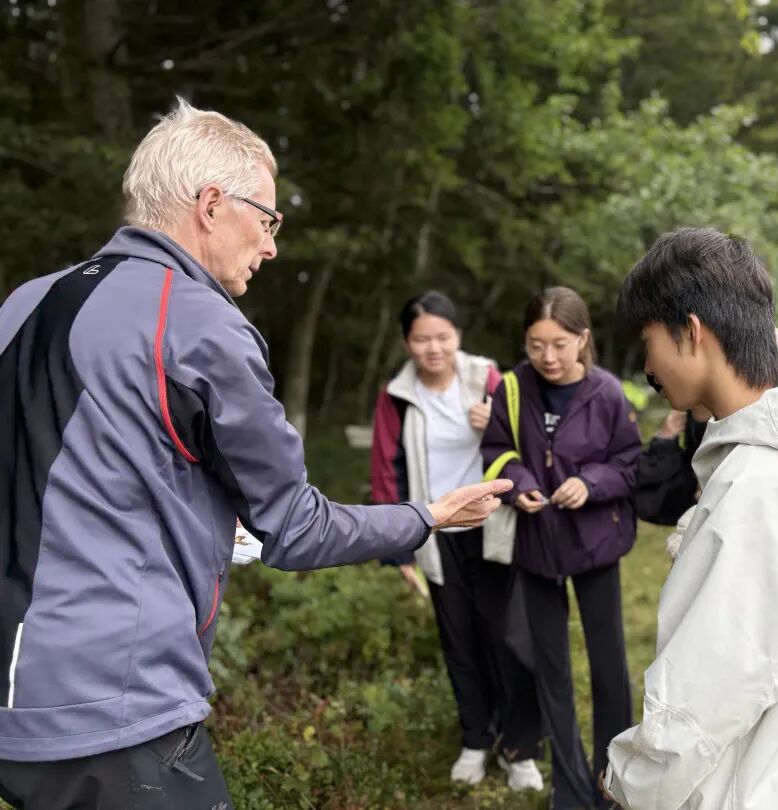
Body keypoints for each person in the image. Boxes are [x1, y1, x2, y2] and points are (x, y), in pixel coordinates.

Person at [0, 99, 510, 810]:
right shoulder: (202, 322)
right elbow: (295, 527)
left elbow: (72, 478)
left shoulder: (24, 302)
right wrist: (425, 515)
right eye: (267, 219)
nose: (272, 246)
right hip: (114, 706)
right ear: (212, 204)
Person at [604, 228, 778, 810]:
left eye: (650, 340)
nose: (649, 364)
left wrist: (630, 781)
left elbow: (714, 688)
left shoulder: (760, 481)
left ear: (692, 332)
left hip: (760, 787)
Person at [370, 291, 543, 791]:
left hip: (492, 529)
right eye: (421, 339)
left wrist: (496, 423)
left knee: (509, 640)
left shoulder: (487, 378)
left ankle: (521, 749)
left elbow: (527, 441)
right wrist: (398, 546)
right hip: (435, 533)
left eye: (442, 337)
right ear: (407, 342)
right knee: (460, 641)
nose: (433, 348)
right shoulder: (396, 396)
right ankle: (475, 740)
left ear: (458, 337)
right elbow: (386, 470)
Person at [481, 286, 640, 809]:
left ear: (583, 340)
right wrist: (520, 481)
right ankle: (570, 791)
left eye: (560, 344)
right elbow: (496, 451)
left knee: (608, 668)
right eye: (535, 345)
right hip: (537, 547)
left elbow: (628, 463)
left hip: (594, 545)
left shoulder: (609, 393)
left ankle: (612, 784)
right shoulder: (510, 388)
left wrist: (591, 483)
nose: (548, 357)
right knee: (551, 671)